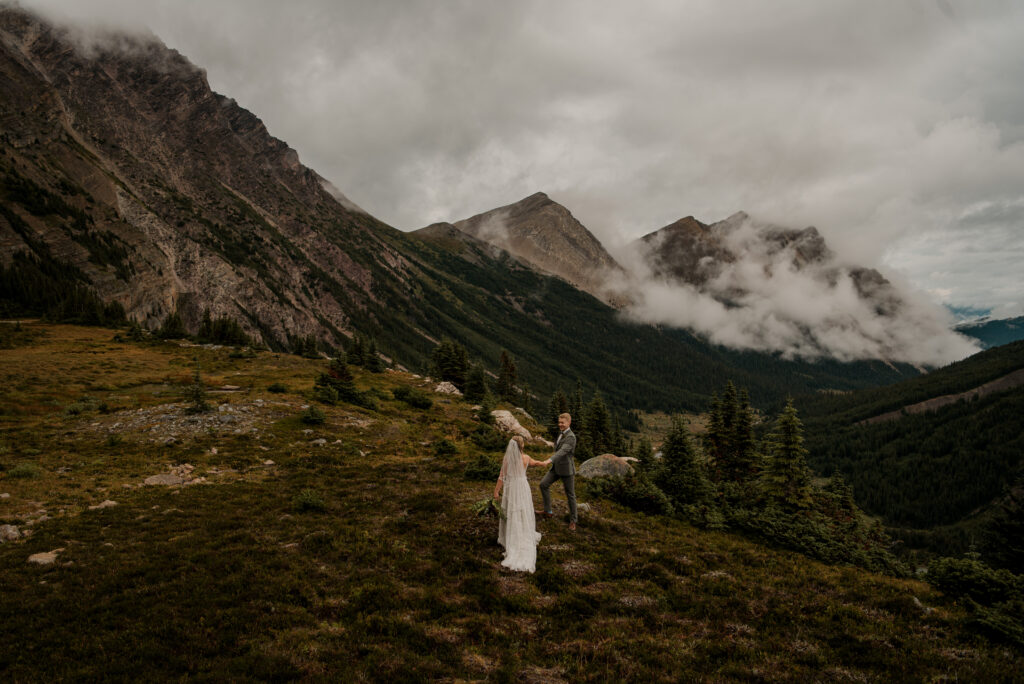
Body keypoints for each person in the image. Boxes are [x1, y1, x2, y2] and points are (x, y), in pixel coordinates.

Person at [493, 435, 550, 573]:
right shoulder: (526, 458)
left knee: (512, 511)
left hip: (511, 488)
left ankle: (512, 536)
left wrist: (496, 492)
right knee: (523, 510)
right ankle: (523, 532)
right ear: (522, 446)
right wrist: (546, 462)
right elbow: (536, 463)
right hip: (523, 487)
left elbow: (501, 476)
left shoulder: (507, 459)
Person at [538, 412, 578, 531]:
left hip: (566, 470)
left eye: (562, 423)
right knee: (543, 484)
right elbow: (557, 448)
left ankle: (573, 521)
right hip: (556, 468)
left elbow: (562, 451)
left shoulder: (571, 437)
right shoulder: (561, 433)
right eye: (559, 422)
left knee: (570, 495)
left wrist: (549, 460)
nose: (560, 424)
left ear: (569, 423)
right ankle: (548, 511)